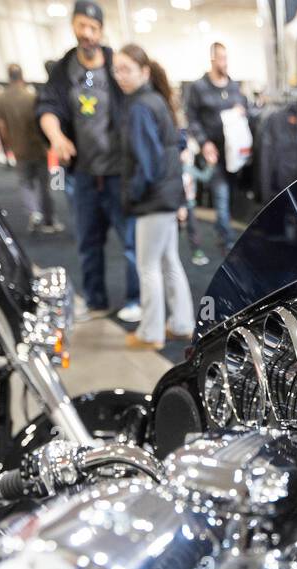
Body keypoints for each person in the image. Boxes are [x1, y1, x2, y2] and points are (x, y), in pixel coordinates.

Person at [36, 0, 141, 323]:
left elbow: (139, 97)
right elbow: (47, 108)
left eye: (93, 28)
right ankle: (96, 300)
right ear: (73, 27)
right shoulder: (64, 69)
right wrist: (57, 137)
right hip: (83, 175)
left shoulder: (114, 63)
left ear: (101, 30)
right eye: (82, 26)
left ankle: (136, 299)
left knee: (130, 242)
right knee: (87, 243)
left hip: (117, 174)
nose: (87, 33)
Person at [112, 44, 195, 351]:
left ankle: (151, 332)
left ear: (143, 72)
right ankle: (182, 323)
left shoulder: (140, 106)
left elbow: (145, 162)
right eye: (117, 69)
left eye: (126, 69)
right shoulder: (156, 101)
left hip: (153, 198)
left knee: (148, 266)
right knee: (168, 261)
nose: (120, 76)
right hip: (166, 194)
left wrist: (131, 197)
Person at [183, 42, 249, 253]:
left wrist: (241, 110)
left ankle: (226, 233)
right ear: (212, 59)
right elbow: (191, 118)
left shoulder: (233, 86)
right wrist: (204, 143)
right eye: (221, 58)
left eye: (226, 58)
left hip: (234, 153)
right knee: (220, 196)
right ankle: (228, 241)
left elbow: (244, 108)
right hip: (213, 153)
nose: (225, 63)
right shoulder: (199, 88)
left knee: (231, 194)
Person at [0, 65, 62, 235]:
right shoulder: (32, 97)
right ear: (22, 76)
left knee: (25, 183)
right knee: (44, 185)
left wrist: (6, 145)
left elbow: (1, 126)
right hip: (37, 147)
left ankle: (34, 213)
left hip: (18, 148)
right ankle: (49, 219)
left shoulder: (1, 100)